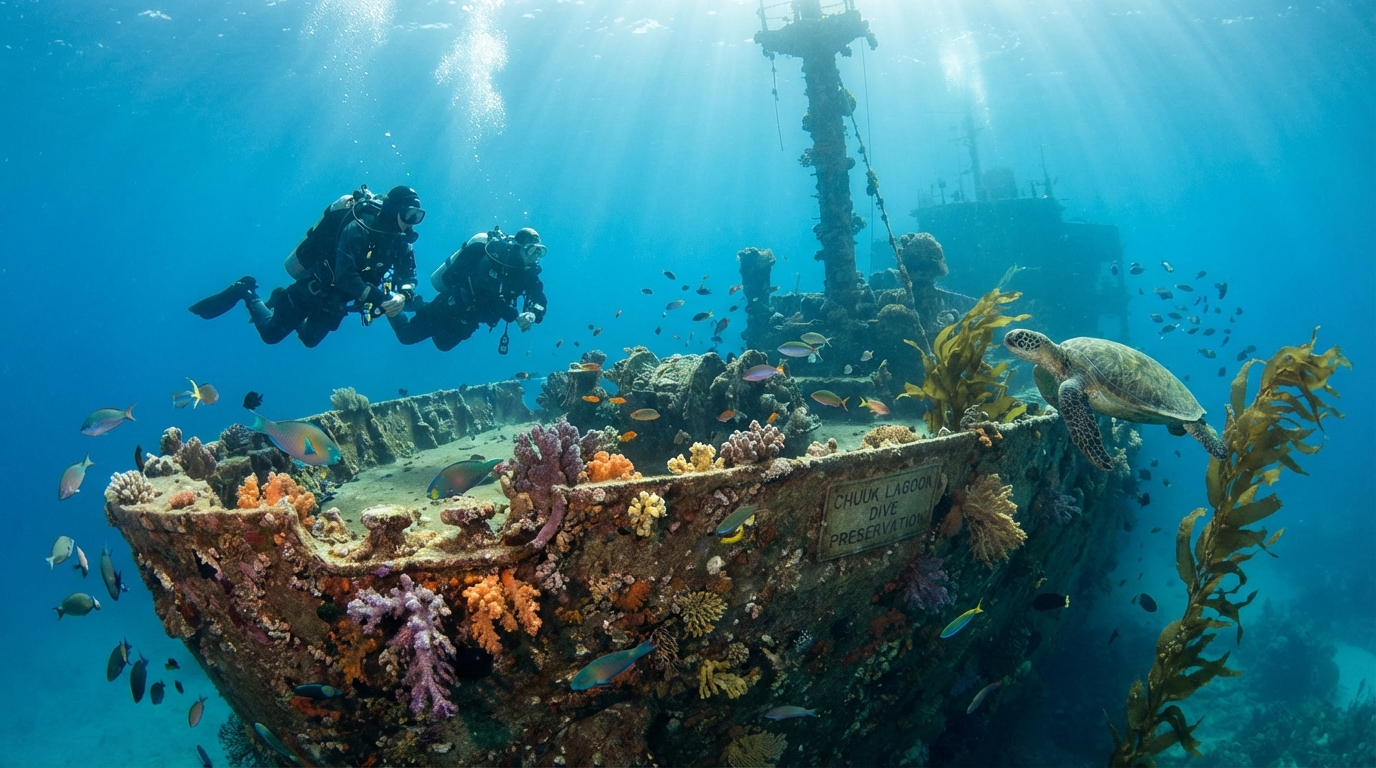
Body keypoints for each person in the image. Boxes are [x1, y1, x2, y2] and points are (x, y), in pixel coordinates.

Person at [189, 185, 423, 348]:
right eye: (410, 214)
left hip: (337, 302)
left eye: (418, 216)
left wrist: (403, 295)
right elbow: (345, 276)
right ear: (393, 210)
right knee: (271, 335)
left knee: (310, 341)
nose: (413, 222)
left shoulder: (401, 241)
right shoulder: (360, 228)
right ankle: (245, 291)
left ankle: (281, 301)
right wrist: (380, 298)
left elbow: (409, 274)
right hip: (314, 288)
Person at [389, 226, 547, 352]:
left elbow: (538, 295)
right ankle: (389, 300)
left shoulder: (527, 274)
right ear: (520, 247)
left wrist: (532, 314)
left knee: (442, 344)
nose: (534, 258)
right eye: (532, 251)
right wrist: (512, 314)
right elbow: (483, 293)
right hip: (451, 305)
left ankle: (420, 306)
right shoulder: (492, 255)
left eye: (539, 253)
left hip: (471, 318)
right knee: (406, 336)